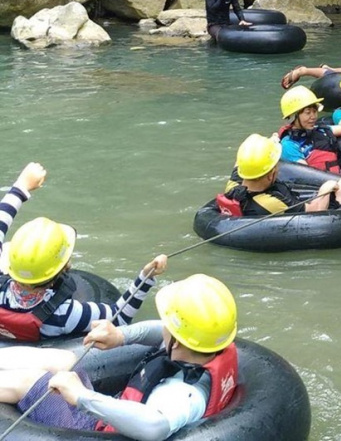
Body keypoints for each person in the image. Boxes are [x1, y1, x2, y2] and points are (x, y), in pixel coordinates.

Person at [0, 274, 239, 440]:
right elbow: (160, 332)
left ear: (177, 339)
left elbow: (154, 427)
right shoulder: (203, 348)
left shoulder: (182, 394)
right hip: (112, 414)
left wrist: (82, 396)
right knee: (64, 361)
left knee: (31, 382)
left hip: (96, 433)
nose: (163, 327)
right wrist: (120, 336)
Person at [0, 163, 167, 341]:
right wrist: (146, 277)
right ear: (62, 267)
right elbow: (119, 317)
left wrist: (22, 186)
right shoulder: (65, 314)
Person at [218, 133, 341, 218]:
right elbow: (313, 216)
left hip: (311, 203)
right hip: (324, 214)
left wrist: (269, 142)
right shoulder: (271, 202)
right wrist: (324, 189)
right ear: (270, 175)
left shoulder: (236, 182)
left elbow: (242, 159)